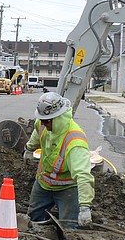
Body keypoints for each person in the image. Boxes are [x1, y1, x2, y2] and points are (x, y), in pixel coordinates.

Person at [23, 92, 94, 228]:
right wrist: (29, 149)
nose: (43, 124)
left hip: (67, 189)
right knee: (33, 221)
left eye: (46, 121)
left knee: (68, 228)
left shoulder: (75, 140)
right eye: (42, 120)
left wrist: (85, 207)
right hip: (44, 183)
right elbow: (37, 133)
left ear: (57, 117)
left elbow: (84, 175)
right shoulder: (43, 122)